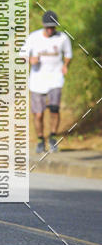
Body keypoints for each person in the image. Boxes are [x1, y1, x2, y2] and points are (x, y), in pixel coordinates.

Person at [25, 10, 72, 153]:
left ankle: (52, 137)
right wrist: (30, 59)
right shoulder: (34, 37)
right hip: (37, 80)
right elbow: (23, 54)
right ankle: (40, 139)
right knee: (38, 114)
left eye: (53, 27)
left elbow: (68, 55)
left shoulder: (63, 38)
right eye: (48, 27)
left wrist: (65, 65)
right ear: (43, 26)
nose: (51, 30)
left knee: (54, 109)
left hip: (55, 79)